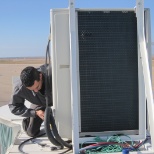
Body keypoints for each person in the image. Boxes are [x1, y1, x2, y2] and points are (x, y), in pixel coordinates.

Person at [9, 65, 52, 137]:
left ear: (40, 76)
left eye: (37, 87)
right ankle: (27, 120)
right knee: (31, 132)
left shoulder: (54, 73)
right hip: (40, 103)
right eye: (31, 90)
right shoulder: (19, 87)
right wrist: (35, 112)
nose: (36, 91)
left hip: (60, 100)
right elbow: (14, 107)